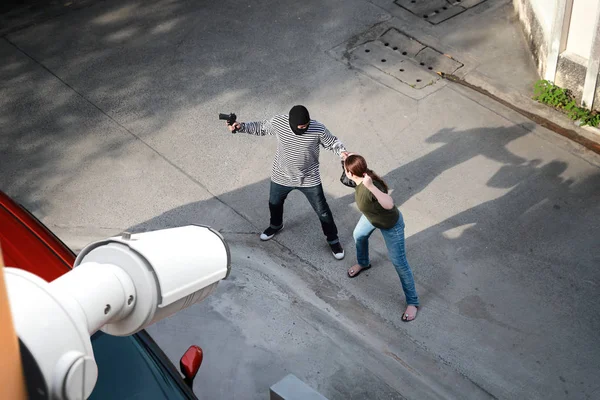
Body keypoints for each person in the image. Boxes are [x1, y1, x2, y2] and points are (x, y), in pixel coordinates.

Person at [226, 105, 349, 260]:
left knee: (323, 211)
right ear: (291, 123)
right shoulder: (280, 122)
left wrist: (343, 152)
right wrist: (241, 126)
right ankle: (276, 226)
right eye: (301, 127)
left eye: (306, 126)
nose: (304, 128)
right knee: (274, 203)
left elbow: (332, 142)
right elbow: (261, 127)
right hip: (281, 175)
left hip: (308, 177)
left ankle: (333, 239)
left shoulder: (317, 128)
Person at [343, 154, 419, 321]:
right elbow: (345, 177)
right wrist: (345, 158)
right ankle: (363, 263)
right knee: (359, 235)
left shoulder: (371, 183)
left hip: (391, 226)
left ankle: (412, 302)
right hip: (371, 218)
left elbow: (389, 203)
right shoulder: (355, 179)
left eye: (346, 169)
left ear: (350, 172)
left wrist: (371, 187)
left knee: (399, 262)